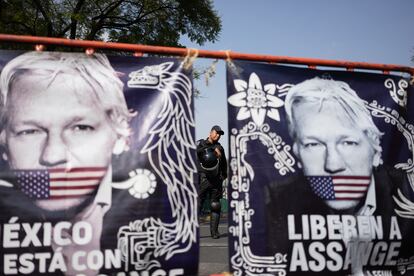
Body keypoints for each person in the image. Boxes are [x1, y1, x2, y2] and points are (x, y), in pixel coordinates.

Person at [0, 51, 139, 275]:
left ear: (120, 135)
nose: (53, 155)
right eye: (30, 131)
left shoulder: (163, 208)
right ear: (4, 143)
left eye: (80, 128)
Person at [265, 77, 414, 275]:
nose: (333, 165)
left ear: (375, 149)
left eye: (348, 142)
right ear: (297, 154)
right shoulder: (273, 202)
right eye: (313, 144)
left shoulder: (407, 192)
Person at [196, 125, 227, 239]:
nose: (218, 135)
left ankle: (214, 232)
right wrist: (209, 150)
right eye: (216, 133)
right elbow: (193, 152)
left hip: (215, 179)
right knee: (198, 204)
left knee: (215, 205)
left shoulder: (220, 147)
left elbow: (223, 163)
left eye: (220, 134)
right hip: (203, 177)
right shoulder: (200, 144)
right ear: (210, 133)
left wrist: (223, 175)